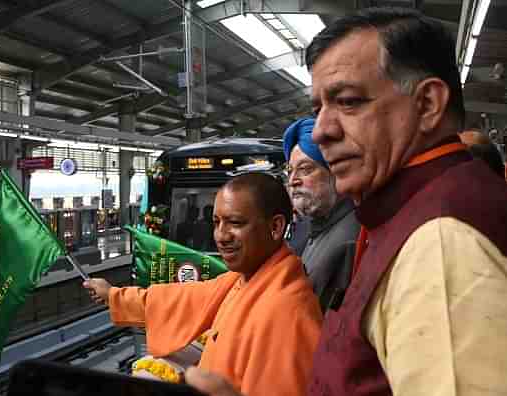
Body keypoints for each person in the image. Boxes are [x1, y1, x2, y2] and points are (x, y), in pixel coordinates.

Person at [186, 7, 507, 396]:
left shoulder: (442, 244)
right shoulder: (405, 213)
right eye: (318, 107)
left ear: (427, 105)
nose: (321, 131)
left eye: (350, 101)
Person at [84, 172, 322, 396]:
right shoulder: (246, 279)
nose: (221, 236)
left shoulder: (287, 313)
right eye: (217, 222)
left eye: (235, 223)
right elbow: (181, 299)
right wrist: (114, 295)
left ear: (275, 227)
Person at [283, 117, 360, 312]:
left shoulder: (351, 239)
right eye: (290, 171)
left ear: (335, 171)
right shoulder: (310, 227)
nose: (293, 181)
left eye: (305, 169)